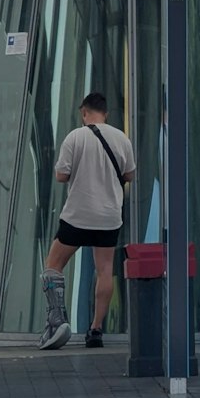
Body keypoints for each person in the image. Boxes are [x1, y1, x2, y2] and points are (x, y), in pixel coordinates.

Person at [40, 92, 135, 351]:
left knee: (53, 265)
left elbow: (61, 175)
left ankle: (57, 320)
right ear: (106, 113)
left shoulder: (75, 137)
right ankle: (95, 330)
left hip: (78, 215)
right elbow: (129, 174)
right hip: (109, 217)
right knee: (104, 270)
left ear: (84, 112)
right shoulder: (122, 138)